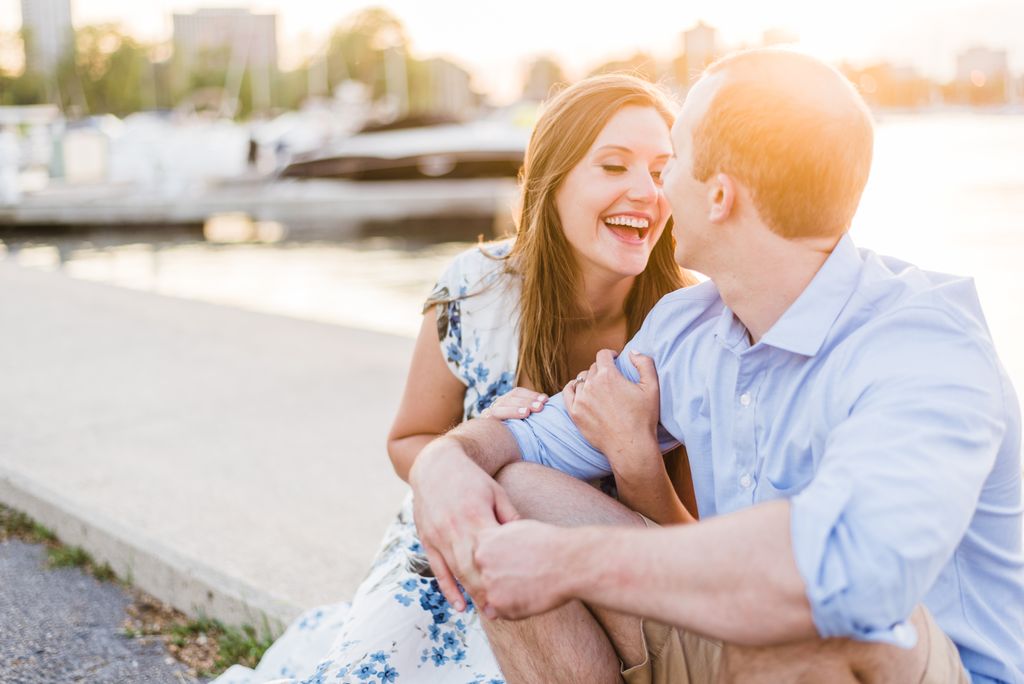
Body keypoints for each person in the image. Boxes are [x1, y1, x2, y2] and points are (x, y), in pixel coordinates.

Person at [408, 48, 1024, 684]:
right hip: (744, 650)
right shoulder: (689, 326)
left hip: (892, 659)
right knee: (517, 494)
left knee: (804, 623)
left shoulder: (924, 346)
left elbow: (848, 576)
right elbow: (532, 439)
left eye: (672, 161)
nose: (658, 190)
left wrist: (567, 561)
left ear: (720, 196)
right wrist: (445, 463)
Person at [214, 73, 699, 684]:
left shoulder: (686, 327)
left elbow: (692, 533)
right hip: (463, 566)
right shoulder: (477, 291)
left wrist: (633, 458)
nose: (645, 191)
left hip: (605, 589)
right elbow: (408, 439)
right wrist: (470, 453)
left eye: (661, 171)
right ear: (552, 181)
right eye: (613, 166)